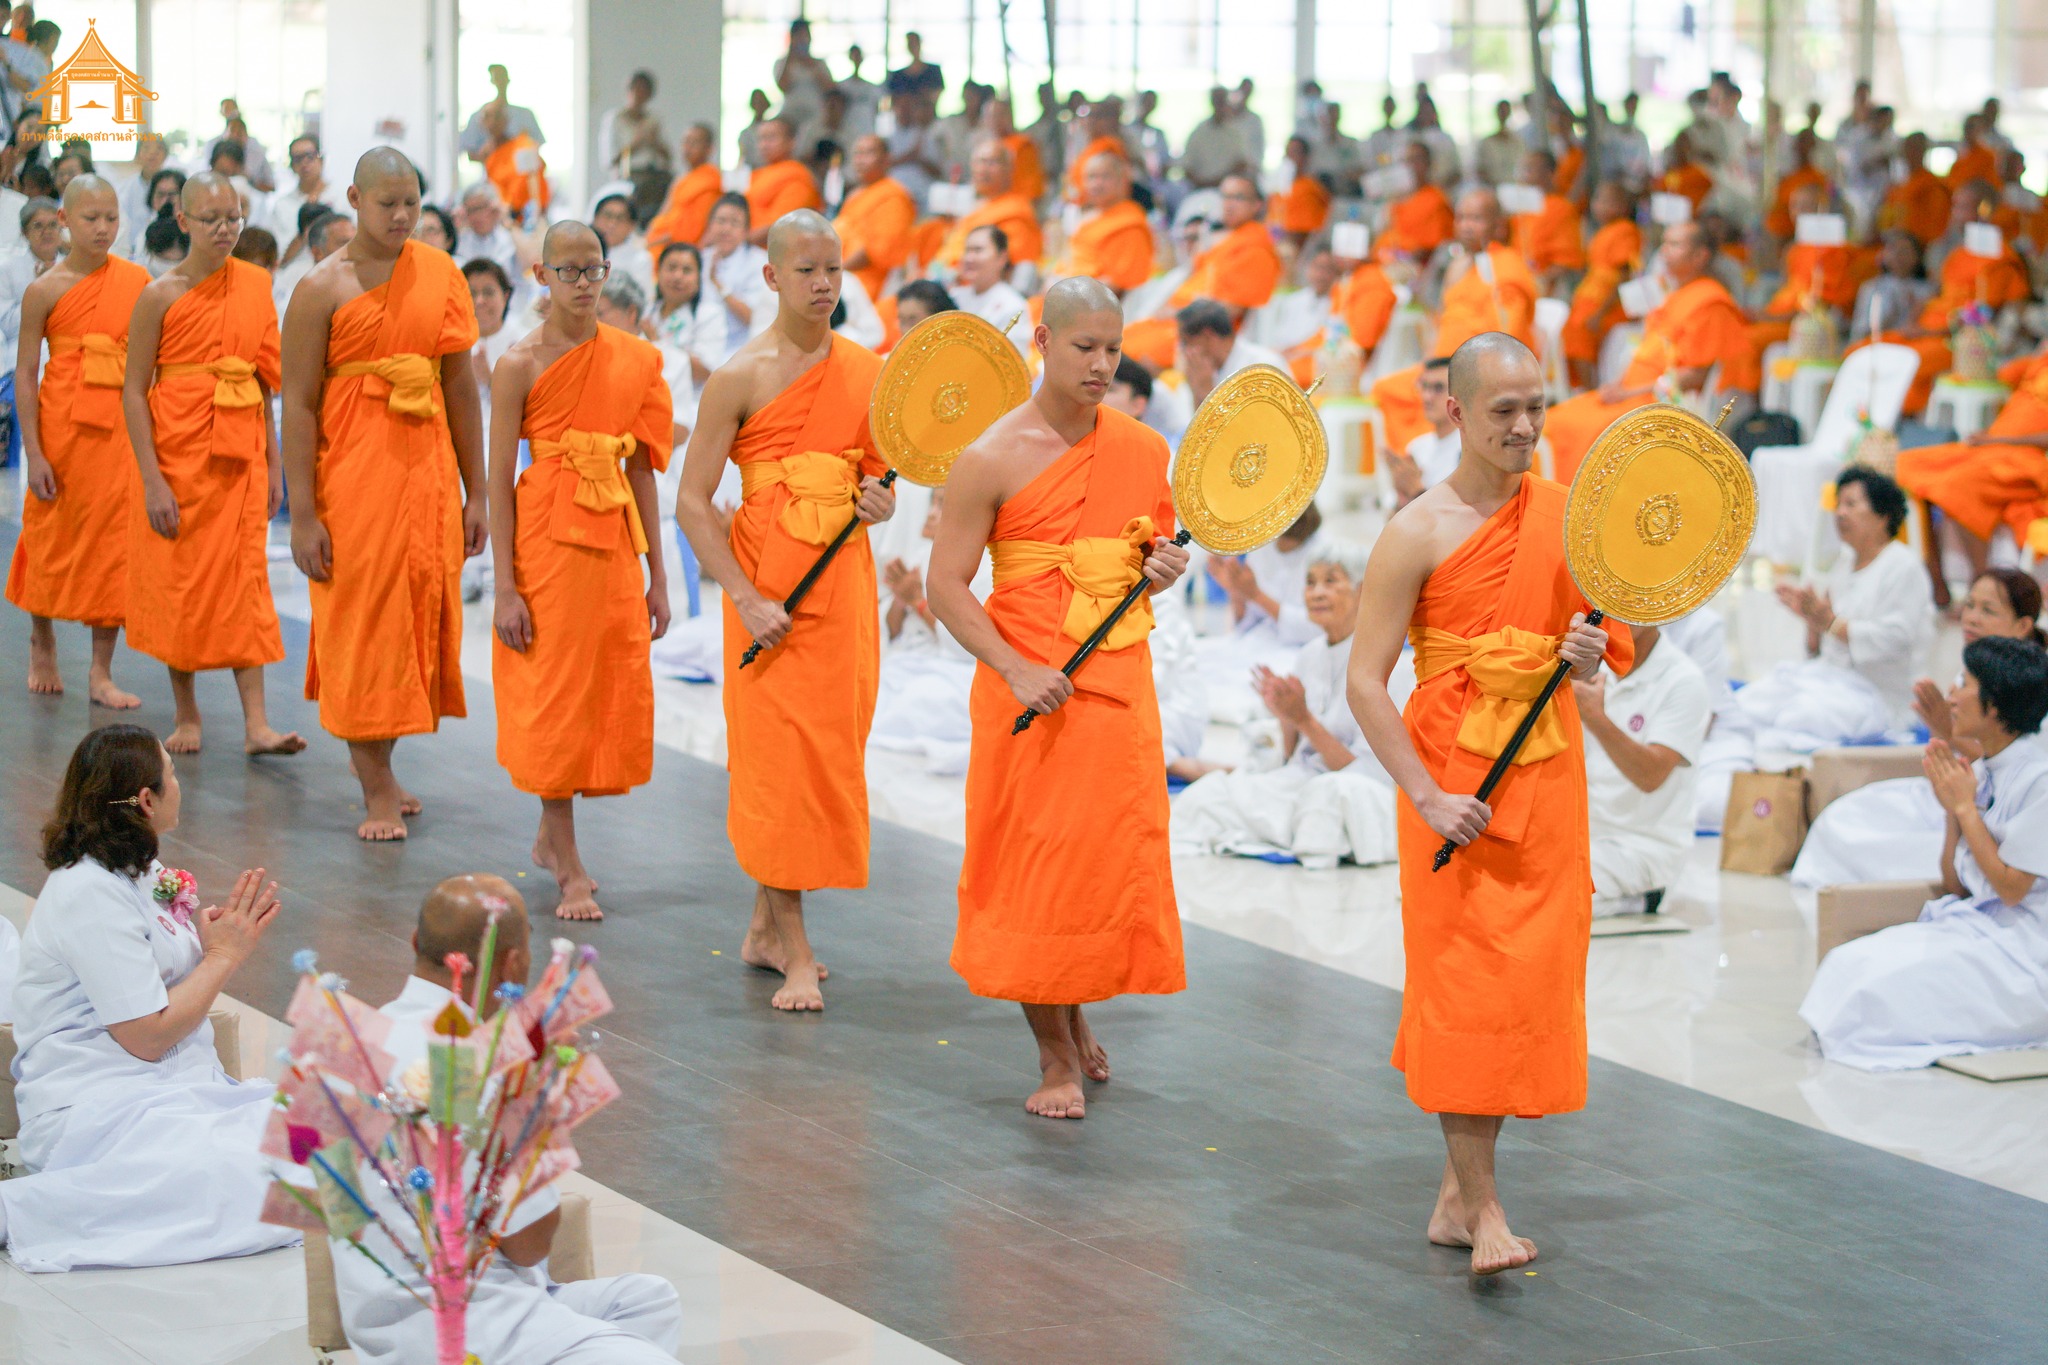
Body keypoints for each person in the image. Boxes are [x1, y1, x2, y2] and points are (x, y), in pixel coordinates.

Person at [1346, 332, 1629, 1275]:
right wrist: (1426, 795)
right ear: (1456, 411)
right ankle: (1487, 1207)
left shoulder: (1571, 516)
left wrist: (1593, 653)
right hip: (1452, 780)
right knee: (1465, 989)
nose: (1525, 426)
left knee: (1525, 987)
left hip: (1545, 775)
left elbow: (1618, 638)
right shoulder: (1416, 530)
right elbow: (1364, 681)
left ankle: (1454, 1197)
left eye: (1537, 407)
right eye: (1504, 410)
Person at [928, 277, 1190, 1119]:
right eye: (1084, 347)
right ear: (1043, 342)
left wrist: (1160, 569)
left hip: (1115, 685)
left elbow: (1140, 558)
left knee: (1098, 862)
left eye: (1113, 349)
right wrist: (1013, 668)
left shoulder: (1143, 449)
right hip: (1031, 690)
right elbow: (946, 585)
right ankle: (1052, 1056)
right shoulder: (991, 455)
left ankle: (1072, 1015)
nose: (1101, 365)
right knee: (1034, 866)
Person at [674, 209, 892, 1013]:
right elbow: (692, 502)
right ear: (770, 277)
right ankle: (796, 949)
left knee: (828, 757)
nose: (824, 284)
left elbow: (877, 476)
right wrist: (744, 594)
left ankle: (765, 929)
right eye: (807, 270)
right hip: (766, 596)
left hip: (842, 590)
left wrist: (876, 502)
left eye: (834, 269)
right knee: (777, 767)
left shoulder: (866, 372)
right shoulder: (738, 376)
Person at [331, 874, 683, 1362]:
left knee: (646, 1302)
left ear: (415, 943)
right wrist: (534, 1107)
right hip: (475, 1327)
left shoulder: (354, 1042)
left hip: (381, 1316)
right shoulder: (476, 1065)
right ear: (514, 962)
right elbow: (530, 1245)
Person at [1, 723, 292, 1272]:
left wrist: (207, 941)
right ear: (146, 800)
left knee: (308, 1141)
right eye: (173, 775)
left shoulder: (139, 871)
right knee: (255, 1175)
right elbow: (147, 1037)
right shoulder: (88, 892)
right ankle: (24, 1212)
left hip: (169, 1097)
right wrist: (223, 957)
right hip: (100, 1110)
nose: (182, 785)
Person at [282, 149, 486, 840]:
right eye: (387, 204)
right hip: (353, 476)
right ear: (353, 200)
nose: (401, 217)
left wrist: (477, 493)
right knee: (362, 622)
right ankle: (375, 791)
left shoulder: (440, 273)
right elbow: (298, 405)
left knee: (410, 618)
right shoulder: (320, 288)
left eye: (412, 204)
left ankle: (381, 767)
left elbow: (459, 386)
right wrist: (302, 514)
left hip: (425, 472)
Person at [488, 224, 671, 922]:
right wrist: (505, 586)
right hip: (545, 540)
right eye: (569, 271)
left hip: (612, 540)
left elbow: (642, 469)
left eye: (594, 269)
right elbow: (498, 480)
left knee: (602, 686)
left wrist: (657, 575)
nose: (585, 283)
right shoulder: (518, 364)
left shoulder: (634, 358)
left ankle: (548, 836)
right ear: (541, 275)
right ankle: (568, 864)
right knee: (554, 692)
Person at [1799, 638, 2048, 1070]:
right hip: (1981, 927)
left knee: (1875, 992)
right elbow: (1955, 883)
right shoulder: (1986, 767)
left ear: (1993, 706)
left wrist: (1965, 808)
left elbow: (2010, 890)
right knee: (1849, 964)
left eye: (1963, 683)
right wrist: (1952, 808)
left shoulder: (2039, 780)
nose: (1951, 694)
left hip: (2028, 955)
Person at [122, 174, 305, 759]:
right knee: (182, 585)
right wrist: (152, 480)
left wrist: (274, 462)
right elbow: (133, 391)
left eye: (233, 218)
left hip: (241, 454)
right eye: (211, 219)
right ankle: (187, 713)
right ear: (183, 221)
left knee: (246, 583)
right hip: (178, 455)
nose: (225, 229)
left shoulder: (254, 283)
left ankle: (258, 725)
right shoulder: (159, 295)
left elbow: (263, 380)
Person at [1794, 569, 2044, 889]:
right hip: (1961, 793)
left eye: (1988, 610)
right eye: (1969, 605)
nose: (1972, 618)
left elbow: (2011, 757)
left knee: (1870, 844)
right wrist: (1944, 742)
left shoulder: (2034, 686)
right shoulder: (1973, 668)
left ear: (2023, 625)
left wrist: (1950, 744)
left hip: (1988, 808)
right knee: (1845, 815)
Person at [5, 176, 149, 708]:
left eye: (111, 218)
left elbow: (149, 364)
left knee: (113, 544)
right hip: (61, 428)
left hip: (119, 429)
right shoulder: (44, 289)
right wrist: (35, 451)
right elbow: (26, 373)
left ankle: (100, 671)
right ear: (65, 221)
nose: (103, 228)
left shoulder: (136, 281)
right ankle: (41, 639)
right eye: (91, 219)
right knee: (49, 532)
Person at [1174, 549, 1399, 868]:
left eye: (1330, 581)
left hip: (1354, 789)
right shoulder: (1310, 655)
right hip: (1302, 781)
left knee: (1324, 802)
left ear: (1362, 591)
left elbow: (1367, 772)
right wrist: (1285, 715)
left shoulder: (1385, 662)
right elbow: (1295, 758)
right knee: (1206, 797)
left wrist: (1304, 720)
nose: (1317, 593)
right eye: (1310, 583)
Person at [1543, 221, 1747, 484]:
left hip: (1657, 403)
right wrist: (1619, 385)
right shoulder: (1677, 295)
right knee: (1554, 418)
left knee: (1571, 428)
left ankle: (1575, 502)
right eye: (1664, 243)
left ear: (1700, 256)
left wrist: (1628, 393)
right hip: (1629, 395)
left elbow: (1695, 376)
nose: (1664, 251)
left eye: (1675, 244)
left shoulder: (1711, 302)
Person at [1369, 188, 1538, 456]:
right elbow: (1443, 323)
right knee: (1385, 390)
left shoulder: (1506, 265)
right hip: (1441, 366)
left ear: (1498, 225)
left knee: (1430, 399)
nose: (1466, 226)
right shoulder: (1458, 266)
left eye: (1476, 219)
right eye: (1461, 218)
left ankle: (1441, 462)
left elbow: (1508, 335)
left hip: (1477, 371)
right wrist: (1427, 365)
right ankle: (1416, 461)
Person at [1575, 621, 1712, 914]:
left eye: (1631, 604)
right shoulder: (1593, 667)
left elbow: (1651, 776)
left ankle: (1643, 898)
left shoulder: (1684, 681)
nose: (1618, 614)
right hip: (1583, 833)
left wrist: (1595, 717)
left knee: (1554, 893)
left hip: (1643, 847)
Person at [1896, 339, 2048, 580]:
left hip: (2027, 459)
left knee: (1956, 484)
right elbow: (2000, 375)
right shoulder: (2040, 361)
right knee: (1906, 465)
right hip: (1992, 448)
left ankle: (1981, 581)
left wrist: (2000, 440)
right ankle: (1934, 577)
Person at [1122, 173, 1280, 371]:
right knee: (1120, 339)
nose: (1229, 204)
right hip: (1175, 321)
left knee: (1129, 352)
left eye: (1238, 198)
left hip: (1202, 332)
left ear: (1257, 205)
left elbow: (1230, 310)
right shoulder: (1222, 240)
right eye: (1225, 197)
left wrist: (1179, 313)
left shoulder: (1256, 248)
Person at [1049, 151, 1154, 293]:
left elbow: (1121, 283)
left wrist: (1068, 292)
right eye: (1091, 177)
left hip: (1089, 300)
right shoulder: (1088, 219)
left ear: (1122, 181)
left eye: (1105, 176)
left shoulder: (1130, 224)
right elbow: (1068, 261)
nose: (1096, 184)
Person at [935, 139, 1042, 274]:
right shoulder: (975, 208)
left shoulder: (1015, 211)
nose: (982, 169)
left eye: (991, 162)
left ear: (1010, 168)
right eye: (978, 162)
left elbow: (1016, 267)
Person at [833, 134, 916, 305]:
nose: (860, 160)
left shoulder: (894, 196)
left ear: (886, 160)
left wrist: (835, 273)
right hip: (841, 277)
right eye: (857, 154)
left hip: (864, 286)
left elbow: (875, 251)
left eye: (868, 153)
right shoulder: (855, 196)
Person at [699, 192, 774, 363]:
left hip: (741, 348)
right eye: (721, 221)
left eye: (734, 223)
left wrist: (718, 285)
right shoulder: (702, 258)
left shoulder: (759, 262)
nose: (726, 229)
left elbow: (754, 318)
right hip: (701, 345)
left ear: (746, 231)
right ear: (710, 225)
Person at [1506, 150, 1586, 293]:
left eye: (1530, 169)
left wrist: (1541, 280)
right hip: (1518, 280)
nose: (1524, 176)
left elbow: (1568, 261)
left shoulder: (1561, 208)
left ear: (1550, 173)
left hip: (1548, 285)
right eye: (1523, 169)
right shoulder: (1520, 210)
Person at [1387, 356, 1460, 503]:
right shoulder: (1417, 447)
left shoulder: (1470, 450)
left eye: (1438, 388)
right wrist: (1402, 493)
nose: (1427, 397)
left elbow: (1461, 512)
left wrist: (1416, 490)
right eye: (1424, 386)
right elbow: (1394, 512)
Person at [951, 224, 1032, 356]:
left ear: (1002, 258)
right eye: (967, 250)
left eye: (978, 250)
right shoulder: (954, 296)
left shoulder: (1014, 306)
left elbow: (1012, 360)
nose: (969, 258)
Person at [744, 119, 822, 247]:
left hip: (773, 252)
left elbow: (783, 225)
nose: (764, 145)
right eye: (761, 139)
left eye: (771, 138)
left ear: (791, 142)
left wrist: (741, 243)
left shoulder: (797, 176)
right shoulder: (757, 174)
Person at [645, 123, 720, 253]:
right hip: (662, 241)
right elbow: (663, 214)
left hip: (686, 249)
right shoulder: (680, 181)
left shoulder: (711, 181)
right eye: (685, 142)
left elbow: (698, 228)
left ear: (709, 149)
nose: (688, 148)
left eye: (694, 142)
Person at [598, 69, 669, 201]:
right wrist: (634, 145)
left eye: (644, 90)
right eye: (636, 89)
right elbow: (609, 160)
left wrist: (654, 142)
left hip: (653, 179)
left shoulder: (653, 120)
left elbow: (668, 157)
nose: (639, 94)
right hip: (626, 177)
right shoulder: (615, 119)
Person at [265, 136, 337, 259]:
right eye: (298, 159)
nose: (304, 163)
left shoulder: (341, 196)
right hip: (294, 269)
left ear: (322, 160)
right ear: (292, 166)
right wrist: (304, 229)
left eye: (310, 156)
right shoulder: (282, 205)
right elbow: (277, 256)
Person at [459, 64, 545, 161]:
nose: (493, 121)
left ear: (505, 120)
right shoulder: (477, 117)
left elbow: (535, 148)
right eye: (489, 117)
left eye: (497, 117)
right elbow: (471, 153)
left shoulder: (525, 115)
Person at [590, 189, 654, 300]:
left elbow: (643, 299)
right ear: (595, 218)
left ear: (632, 226)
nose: (612, 224)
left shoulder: (640, 259)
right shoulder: (581, 252)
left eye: (620, 218)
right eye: (607, 216)